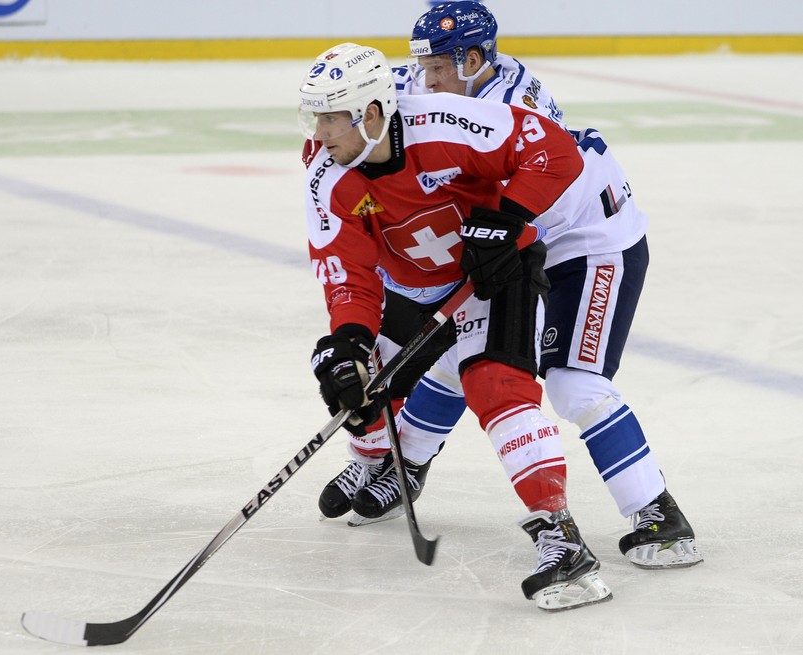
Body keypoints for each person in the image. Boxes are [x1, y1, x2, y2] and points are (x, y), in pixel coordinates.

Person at [316, 1, 702, 570]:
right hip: (510, 232)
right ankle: (406, 464)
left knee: (574, 383)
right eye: (422, 66)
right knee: (459, 351)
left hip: (588, 240)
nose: (427, 79)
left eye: (440, 68)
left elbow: (547, 165)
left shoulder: (511, 104)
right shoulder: (440, 86)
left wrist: (500, 223)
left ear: (475, 60)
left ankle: (658, 513)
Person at [300, 41, 613, 610]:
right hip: (416, 286)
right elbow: (347, 272)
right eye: (313, 116)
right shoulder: (328, 177)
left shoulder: (449, 122)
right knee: (362, 384)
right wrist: (347, 341)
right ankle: (375, 465)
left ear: (372, 114)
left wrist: (505, 219)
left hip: (492, 277)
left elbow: (556, 153)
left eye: (331, 117)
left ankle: (561, 539)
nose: (319, 133)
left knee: (496, 388)